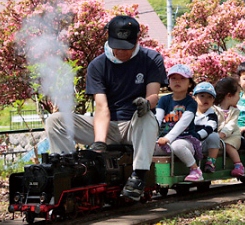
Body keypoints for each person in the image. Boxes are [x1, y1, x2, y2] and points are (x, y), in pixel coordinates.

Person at [44, 15, 166, 201]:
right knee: (55, 121)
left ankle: (139, 176)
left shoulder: (151, 59)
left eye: (126, 47)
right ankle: (65, 170)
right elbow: (101, 107)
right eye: (117, 46)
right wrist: (100, 141)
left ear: (136, 40)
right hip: (107, 127)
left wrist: (146, 103)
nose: (121, 52)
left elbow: (154, 95)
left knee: (147, 115)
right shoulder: (98, 65)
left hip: (135, 126)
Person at [155, 64, 204, 182]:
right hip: (164, 140)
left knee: (177, 146)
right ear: (169, 82)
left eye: (182, 78)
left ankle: (195, 170)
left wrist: (168, 138)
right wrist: (152, 137)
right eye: (173, 78)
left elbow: (183, 123)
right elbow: (157, 119)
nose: (177, 81)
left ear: (190, 83)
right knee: (145, 146)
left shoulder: (191, 103)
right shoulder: (164, 100)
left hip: (185, 139)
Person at [214, 76, 244, 177]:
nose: (239, 97)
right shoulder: (213, 109)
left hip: (232, 135)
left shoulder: (235, 111)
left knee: (227, 145)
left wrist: (223, 133)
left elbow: (231, 125)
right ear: (229, 95)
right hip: (218, 135)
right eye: (238, 94)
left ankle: (238, 165)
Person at [192, 81, 222, 174]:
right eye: (202, 96)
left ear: (213, 100)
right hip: (190, 141)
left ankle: (211, 162)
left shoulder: (212, 115)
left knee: (214, 136)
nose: (206, 99)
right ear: (194, 98)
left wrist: (197, 136)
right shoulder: (190, 112)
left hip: (204, 143)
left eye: (209, 97)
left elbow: (210, 127)